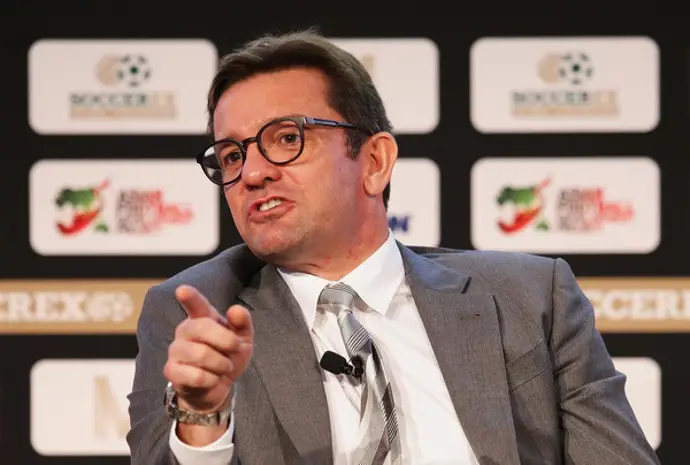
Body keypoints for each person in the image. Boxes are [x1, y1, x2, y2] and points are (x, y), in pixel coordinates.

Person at [126, 29, 660, 465]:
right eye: (231, 155)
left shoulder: (530, 297)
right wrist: (202, 418)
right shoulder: (199, 313)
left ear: (375, 162)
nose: (253, 173)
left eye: (287, 138)